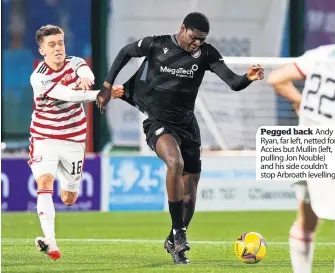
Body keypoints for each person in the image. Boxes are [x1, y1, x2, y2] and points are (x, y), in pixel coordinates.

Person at [96, 12, 264, 264]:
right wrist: (108, 85)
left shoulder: (206, 54)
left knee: (191, 186)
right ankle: (179, 233)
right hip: (158, 122)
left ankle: (174, 242)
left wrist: (248, 78)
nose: (197, 43)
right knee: (175, 163)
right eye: (194, 37)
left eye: (201, 39)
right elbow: (124, 52)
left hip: (187, 124)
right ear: (182, 29)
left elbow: (233, 82)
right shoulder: (155, 44)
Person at [29, 25, 123, 260]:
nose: (58, 48)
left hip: (73, 139)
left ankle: (65, 187)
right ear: (42, 50)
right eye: (52, 45)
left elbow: (88, 75)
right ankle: (50, 241)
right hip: (45, 137)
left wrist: (85, 79)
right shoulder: (39, 77)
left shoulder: (75, 61)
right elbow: (69, 96)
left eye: (60, 43)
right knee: (44, 181)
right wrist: (104, 94)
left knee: (69, 199)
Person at [267, 44, 335, 273]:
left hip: (306, 144)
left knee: (306, 222)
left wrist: (299, 102)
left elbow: (276, 79)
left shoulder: (321, 53)